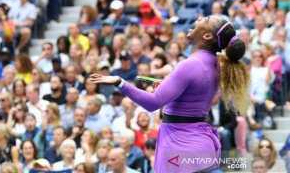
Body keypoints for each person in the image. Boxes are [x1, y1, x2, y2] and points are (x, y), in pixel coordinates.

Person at [90, 16, 250, 172]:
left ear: (207, 36)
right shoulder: (215, 63)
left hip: (180, 143)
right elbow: (192, 95)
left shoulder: (190, 64)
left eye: (206, 20)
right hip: (198, 141)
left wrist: (120, 83)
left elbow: (153, 102)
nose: (199, 19)